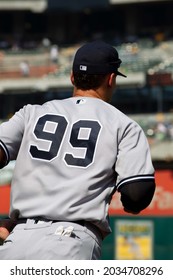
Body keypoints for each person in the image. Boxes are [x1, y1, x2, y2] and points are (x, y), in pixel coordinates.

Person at [0, 40, 155, 260]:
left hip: (18, 240)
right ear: (111, 79)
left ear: (72, 77)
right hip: (72, 242)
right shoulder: (123, 125)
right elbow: (137, 195)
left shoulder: (31, 113)